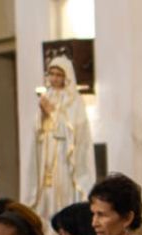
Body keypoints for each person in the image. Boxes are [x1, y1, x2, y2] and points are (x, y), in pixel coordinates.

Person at [27, 56, 95, 221]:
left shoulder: (74, 100)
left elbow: (75, 130)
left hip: (64, 154)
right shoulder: (46, 96)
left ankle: (62, 227)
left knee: (61, 188)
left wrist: (51, 112)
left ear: (66, 77)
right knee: (45, 190)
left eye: (59, 74)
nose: (54, 78)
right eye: (52, 74)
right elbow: (37, 129)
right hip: (46, 151)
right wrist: (42, 116)